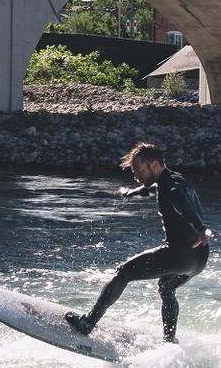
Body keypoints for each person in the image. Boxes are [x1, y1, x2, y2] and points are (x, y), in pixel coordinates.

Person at [66, 143, 212, 342]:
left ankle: (87, 324)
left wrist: (201, 227)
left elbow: (182, 206)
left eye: (138, 171)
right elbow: (152, 189)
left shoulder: (171, 186)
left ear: (153, 165)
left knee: (123, 273)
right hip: (198, 260)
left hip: (179, 255)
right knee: (167, 287)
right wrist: (131, 192)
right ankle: (169, 341)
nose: (135, 176)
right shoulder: (175, 179)